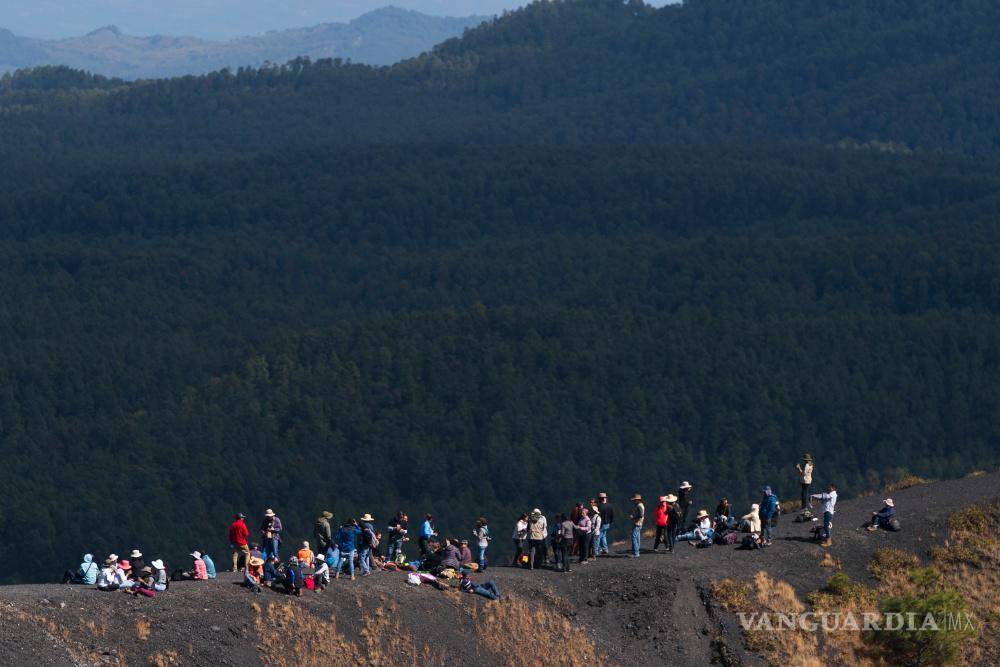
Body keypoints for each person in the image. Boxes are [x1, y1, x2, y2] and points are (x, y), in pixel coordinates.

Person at [629, 493, 645, 558]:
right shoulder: (640, 505)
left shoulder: (639, 506)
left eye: (635, 500)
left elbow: (641, 515)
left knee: (634, 537)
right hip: (639, 523)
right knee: (637, 537)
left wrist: (633, 517)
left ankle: (636, 553)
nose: (634, 501)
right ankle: (637, 551)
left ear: (638, 500)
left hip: (637, 523)